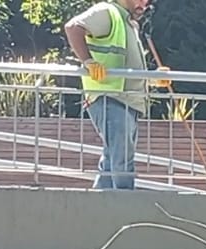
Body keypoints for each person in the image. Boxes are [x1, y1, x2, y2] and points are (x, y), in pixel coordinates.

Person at [65, 0, 168, 190]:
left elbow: (128, 71)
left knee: (112, 159)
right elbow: (72, 27)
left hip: (124, 100)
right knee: (122, 159)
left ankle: (99, 208)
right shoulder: (108, 12)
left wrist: (154, 79)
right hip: (110, 97)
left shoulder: (128, 24)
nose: (144, 4)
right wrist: (88, 61)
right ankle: (124, 204)